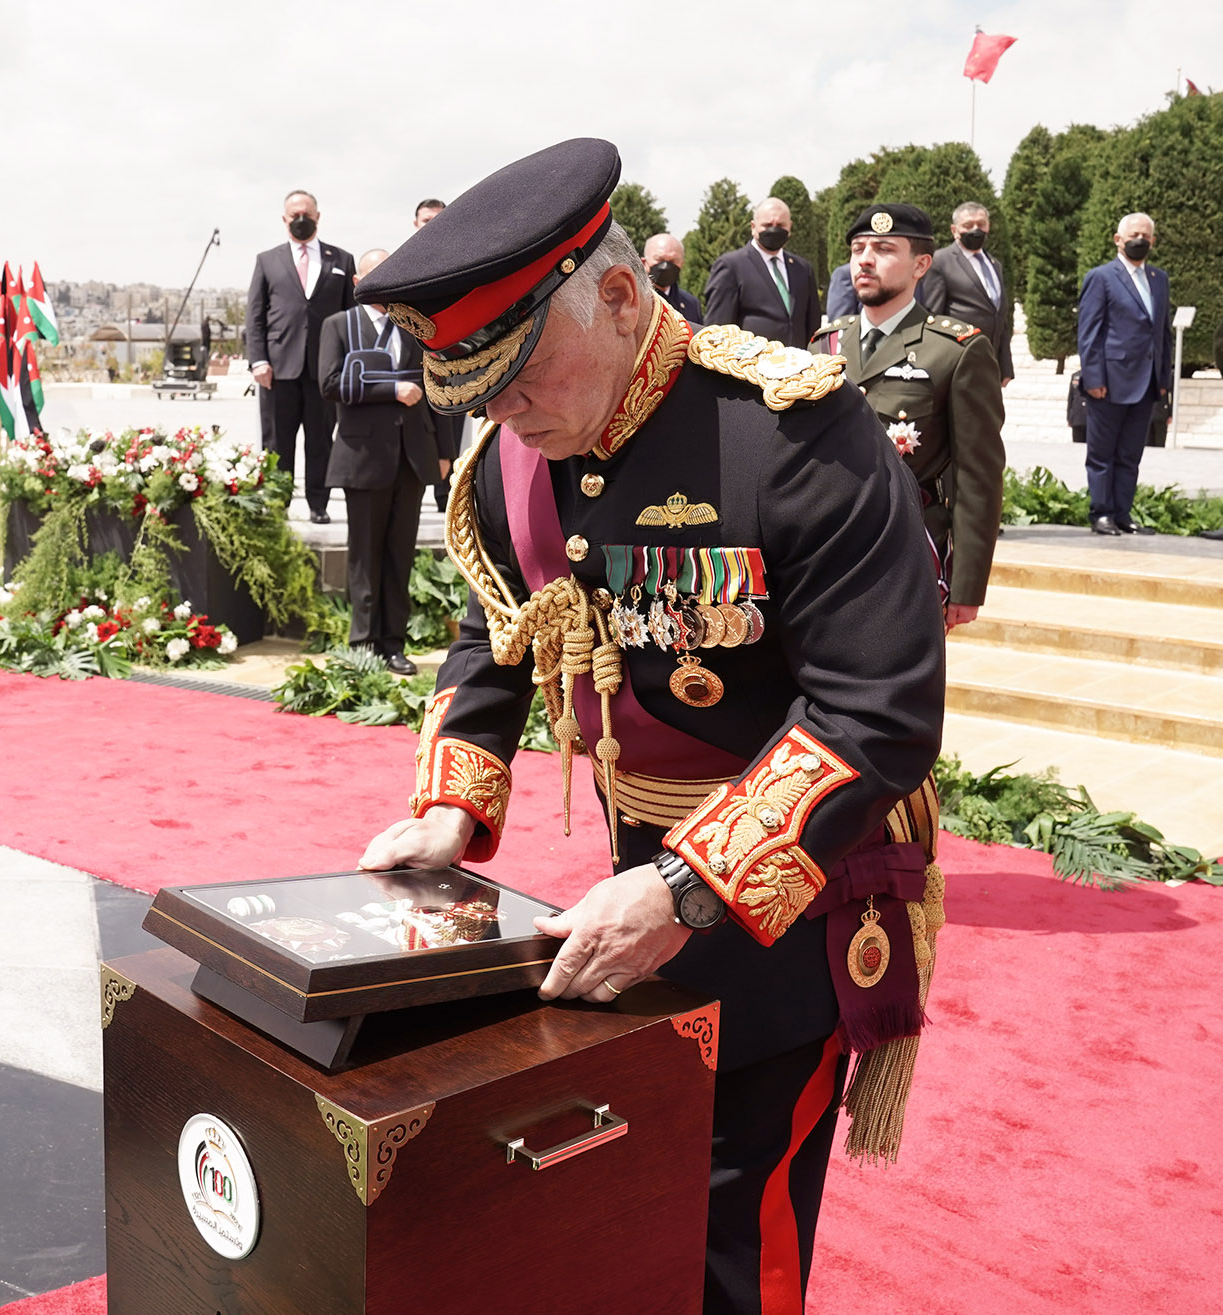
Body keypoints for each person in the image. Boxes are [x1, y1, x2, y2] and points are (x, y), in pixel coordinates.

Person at [356, 137, 944, 1315]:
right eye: (482, 392)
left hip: (799, 886)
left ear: (620, 297)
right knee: (624, 1197)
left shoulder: (789, 431)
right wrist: (447, 805)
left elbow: (876, 713)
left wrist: (684, 890)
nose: (507, 417)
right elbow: (498, 623)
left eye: (521, 379)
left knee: (731, 1218)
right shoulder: (512, 449)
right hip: (637, 869)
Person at [811, 204, 1005, 631]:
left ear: (921, 265)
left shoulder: (956, 350)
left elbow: (979, 476)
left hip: (910, 554)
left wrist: (967, 585)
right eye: (858, 248)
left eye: (883, 249)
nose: (864, 259)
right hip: (825, 555)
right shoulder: (825, 346)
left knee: (902, 693)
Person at [320, 247, 444, 676]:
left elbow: (439, 389)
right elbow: (330, 383)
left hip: (411, 456)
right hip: (362, 457)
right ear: (357, 282)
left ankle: (393, 642)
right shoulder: (338, 325)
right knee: (363, 556)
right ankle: (363, 642)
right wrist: (390, 390)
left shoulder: (415, 328)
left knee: (399, 555)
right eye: (374, 275)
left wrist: (443, 452)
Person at [246, 189, 357, 523]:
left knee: (320, 440)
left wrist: (347, 363)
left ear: (318, 216)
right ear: (284, 219)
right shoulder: (267, 260)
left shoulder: (341, 260)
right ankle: (278, 504)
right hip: (277, 371)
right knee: (278, 443)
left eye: (306, 213)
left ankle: (318, 504)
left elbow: (350, 316)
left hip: (325, 371)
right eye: (294, 215)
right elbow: (255, 317)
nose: (300, 219)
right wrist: (258, 360)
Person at [1077, 213, 1172, 535]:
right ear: (1118, 239)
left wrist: (1164, 382)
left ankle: (1122, 513)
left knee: (1131, 455)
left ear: (1153, 241)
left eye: (1146, 235)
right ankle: (1101, 513)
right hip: (1109, 381)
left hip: (1146, 383)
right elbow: (1089, 332)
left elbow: (1163, 334)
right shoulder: (1101, 277)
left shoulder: (1159, 279)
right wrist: (1094, 379)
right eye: (1134, 234)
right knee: (1102, 454)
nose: (1140, 239)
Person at [701, 197, 821, 348]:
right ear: (753, 227)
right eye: (767, 225)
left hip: (797, 366)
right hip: (750, 367)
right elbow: (717, 329)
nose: (774, 229)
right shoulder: (731, 266)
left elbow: (812, 324)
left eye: (780, 225)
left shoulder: (803, 269)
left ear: (789, 227)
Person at [919, 203, 1015, 386]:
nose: (975, 230)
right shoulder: (941, 261)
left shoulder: (994, 264)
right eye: (968, 225)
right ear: (955, 230)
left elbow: (1000, 316)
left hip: (990, 364)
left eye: (981, 224)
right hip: (957, 364)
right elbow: (932, 317)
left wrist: (1006, 365)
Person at [417, 196, 461, 510]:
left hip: (457, 362)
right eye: (426, 221)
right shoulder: (403, 262)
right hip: (415, 365)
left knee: (452, 430)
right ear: (415, 224)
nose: (432, 227)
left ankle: (447, 497)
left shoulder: (464, 262)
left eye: (439, 220)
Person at [643, 233, 703, 324]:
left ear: (682, 264)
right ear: (644, 263)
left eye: (673, 261)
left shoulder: (691, 304)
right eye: (660, 260)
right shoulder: (634, 300)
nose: (665, 266)